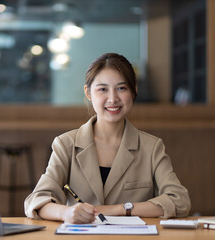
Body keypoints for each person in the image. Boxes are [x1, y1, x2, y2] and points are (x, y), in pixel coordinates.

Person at [24, 53, 191, 224]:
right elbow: (36, 200)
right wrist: (65, 213)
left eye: (121, 88)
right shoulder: (66, 144)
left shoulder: (152, 147)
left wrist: (120, 209)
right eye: (103, 89)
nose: (113, 99)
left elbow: (180, 201)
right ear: (88, 93)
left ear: (134, 90)